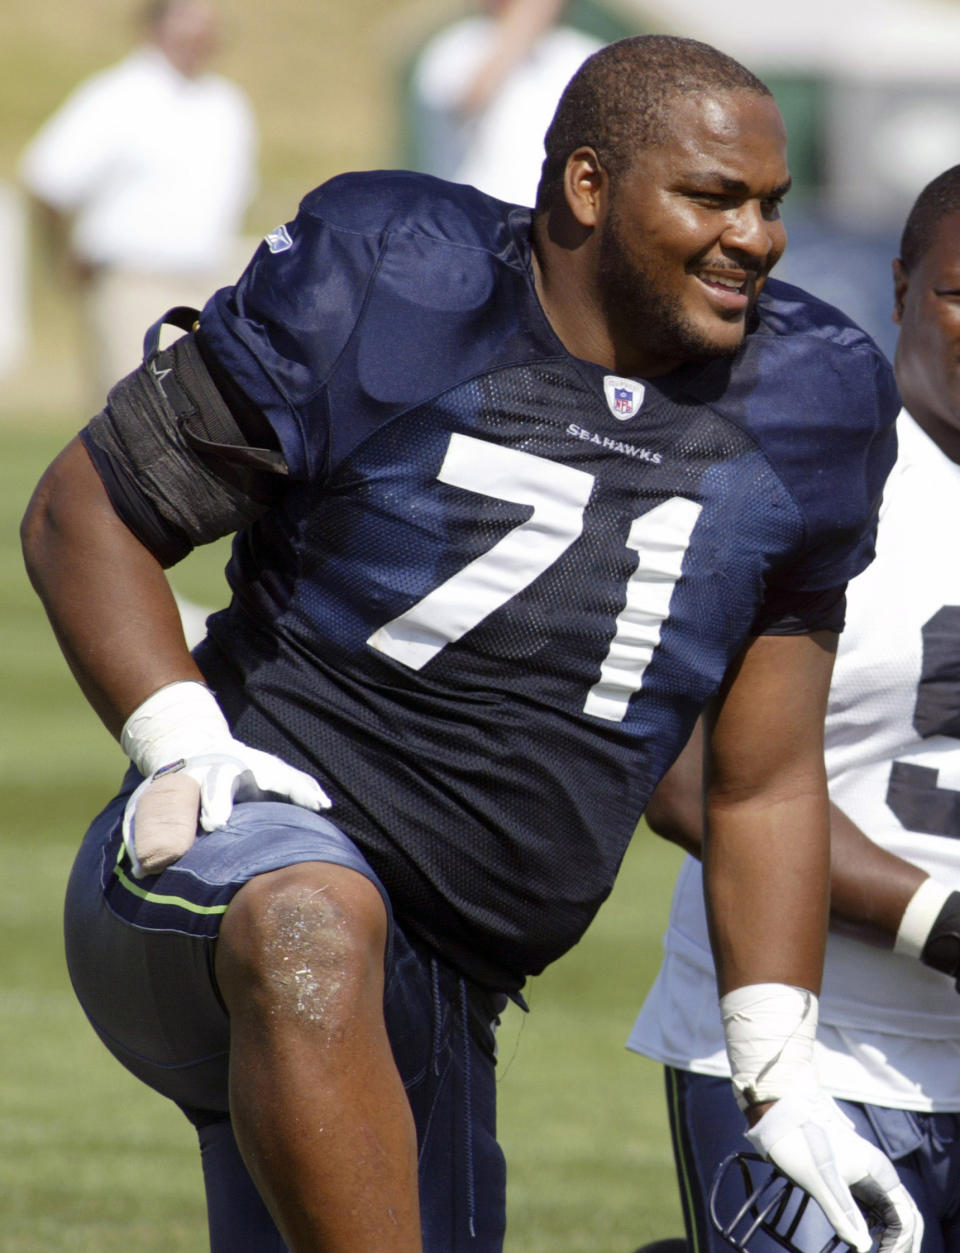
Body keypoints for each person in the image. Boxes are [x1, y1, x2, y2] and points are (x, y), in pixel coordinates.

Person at [20, 34, 922, 1253]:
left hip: (442, 968)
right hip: (234, 861)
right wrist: (180, 737)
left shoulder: (815, 395)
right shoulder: (395, 276)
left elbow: (760, 780)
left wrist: (778, 1069)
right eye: (712, 197)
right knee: (311, 922)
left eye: (771, 204)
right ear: (587, 187)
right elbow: (88, 507)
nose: (754, 237)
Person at [628, 166, 960, 1253]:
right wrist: (935, 919)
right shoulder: (803, 465)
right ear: (904, 285)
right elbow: (685, 774)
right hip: (815, 1043)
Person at [19, 0, 257, 400]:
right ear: (155, 28)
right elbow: (49, 181)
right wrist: (63, 253)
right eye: (188, 24)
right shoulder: (117, 95)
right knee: (139, 411)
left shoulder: (227, 104)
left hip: (210, 284)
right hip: (135, 282)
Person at [408, 0, 601, 205]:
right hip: (474, 219)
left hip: (556, 224)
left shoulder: (582, 53)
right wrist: (523, 26)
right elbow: (468, 100)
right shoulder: (457, 46)